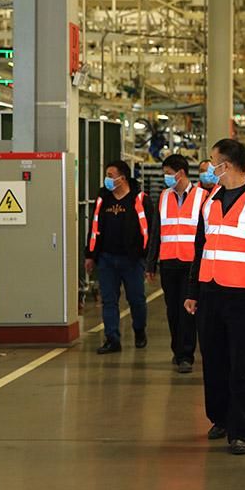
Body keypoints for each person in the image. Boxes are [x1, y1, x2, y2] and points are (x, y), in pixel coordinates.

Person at [184, 139, 245, 455]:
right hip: (210, 292)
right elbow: (201, 248)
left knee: (241, 363)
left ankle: (240, 431)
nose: (210, 167)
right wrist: (193, 291)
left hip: (243, 295)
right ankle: (220, 418)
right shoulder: (210, 201)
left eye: (213, 161)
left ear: (225, 164)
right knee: (213, 360)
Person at [146, 153, 208, 373]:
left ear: (181, 173)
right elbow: (156, 231)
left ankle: (186, 355)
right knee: (172, 310)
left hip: (191, 264)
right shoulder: (164, 196)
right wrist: (151, 263)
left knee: (188, 310)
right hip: (169, 262)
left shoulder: (202, 197)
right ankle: (177, 349)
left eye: (168, 173)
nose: (166, 177)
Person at [85, 160, 152, 355]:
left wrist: (147, 259)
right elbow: (94, 227)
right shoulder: (103, 199)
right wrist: (90, 255)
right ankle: (112, 338)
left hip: (132, 260)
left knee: (136, 299)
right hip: (106, 259)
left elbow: (149, 230)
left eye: (110, 175)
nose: (107, 179)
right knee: (109, 300)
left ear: (122, 178)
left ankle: (139, 330)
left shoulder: (140, 200)